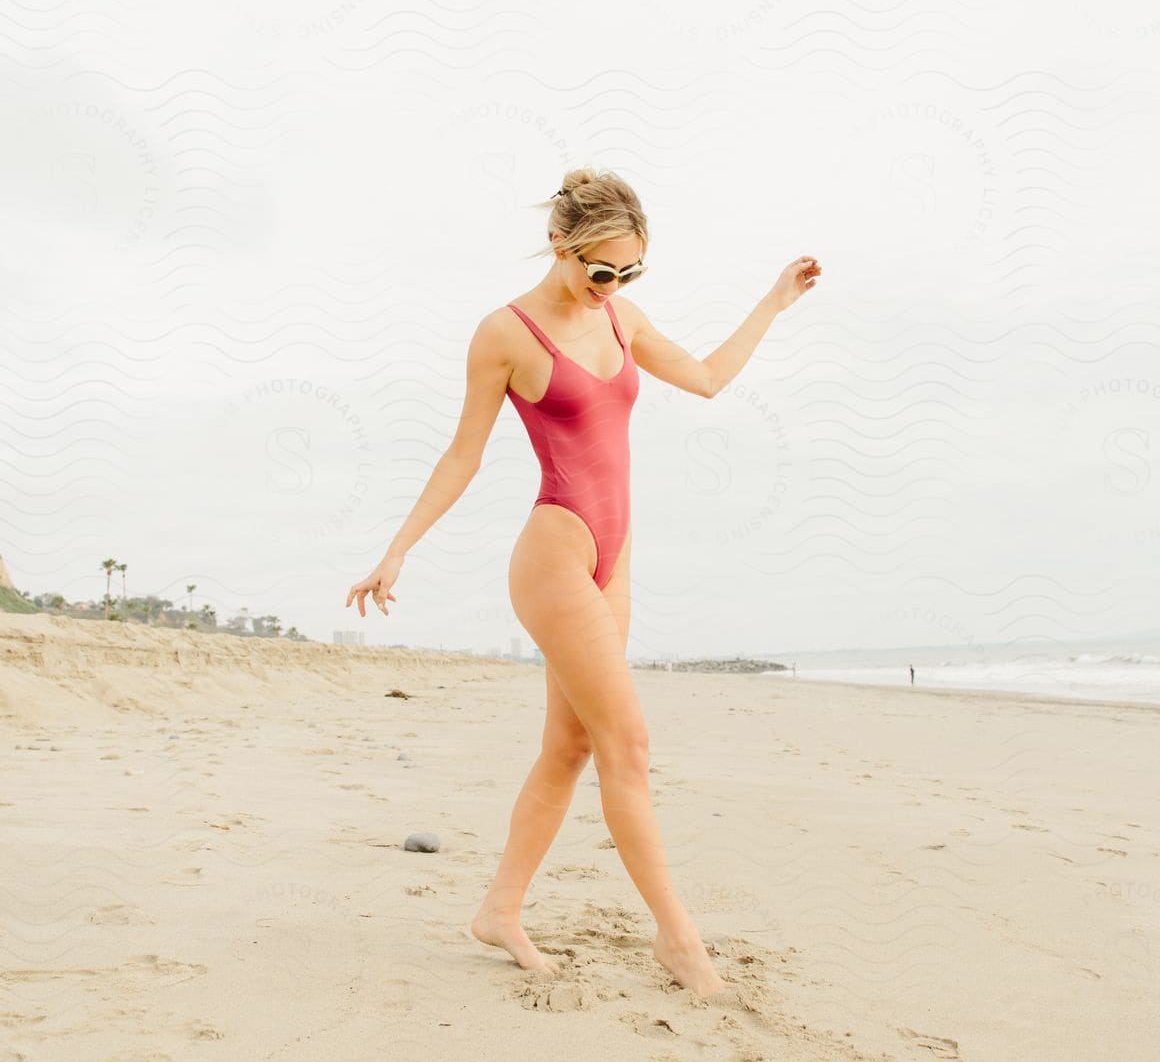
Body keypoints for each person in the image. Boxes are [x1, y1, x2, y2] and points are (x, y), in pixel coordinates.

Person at [346, 169, 822, 997]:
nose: (615, 286)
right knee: (627, 744)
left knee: (568, 747)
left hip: (617, 559)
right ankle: (682, 945)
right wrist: (398, 549)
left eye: (631, 272)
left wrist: (773, 304)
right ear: (562, 248)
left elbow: (708, 379)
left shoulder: (623, 318)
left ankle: (500, 910)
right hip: (555, 557)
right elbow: (463, 454)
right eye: (603, 270)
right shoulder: (506, 332)